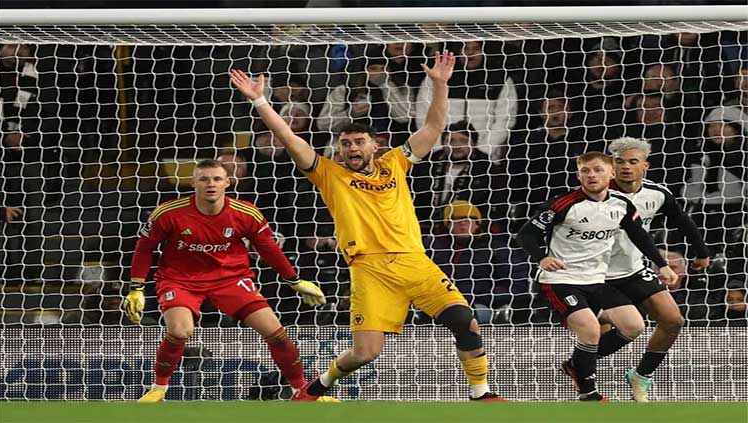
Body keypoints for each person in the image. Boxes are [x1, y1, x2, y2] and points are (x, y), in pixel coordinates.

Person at [230, 49, 506, 402]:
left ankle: (481, 394)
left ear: (374, 145)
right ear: (339, 151)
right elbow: (289, 138)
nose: (351, 148)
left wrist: (439, 85)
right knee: (365, 352)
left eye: (359, 142)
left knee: (465, 320)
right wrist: (261, 101)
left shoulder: (396, 162)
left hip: (415, 262)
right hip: (370, 269)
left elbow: (435, 127)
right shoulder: (330, 175)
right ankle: (313, 390)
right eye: (345, 144)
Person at [121, 159, 333, 403]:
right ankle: (159, 388)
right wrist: (136, 287)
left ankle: (302, 391)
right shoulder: (169, 213)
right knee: (180, 331)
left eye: (217, 179)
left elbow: (269, 249)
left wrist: (294, 281)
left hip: (231, 279)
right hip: (180, 280)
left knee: (276, 333)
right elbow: (144, 248)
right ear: (193, 183)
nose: (210, 184)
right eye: (204, 179)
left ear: (228, 183)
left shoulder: (245, 213)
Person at [517, 151, 678, 401]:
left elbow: (639, 235)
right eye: (585, 171)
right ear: (578, 174)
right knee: (591, 330)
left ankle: (576, 365)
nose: (591, 175)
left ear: (611, 173)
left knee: (634, 326)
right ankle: (588, 392)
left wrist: (661, 264)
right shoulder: (564, 204)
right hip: (562, 281)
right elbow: (526, 234)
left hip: (597, 280)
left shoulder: (621, 204)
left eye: (597, 170)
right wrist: (542, 257)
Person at [604, 137, 710, 402]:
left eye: (632, 161)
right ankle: (582, 371)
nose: (626, 167)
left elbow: (682, 221)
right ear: (611, 166)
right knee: (603, 327)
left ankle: (640, 377)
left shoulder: (657, 193)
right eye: (619, 161)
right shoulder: (595, 194)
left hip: (634, 269)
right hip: (594, 273)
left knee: (673, 321)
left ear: (645, 166)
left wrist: (701, 253)